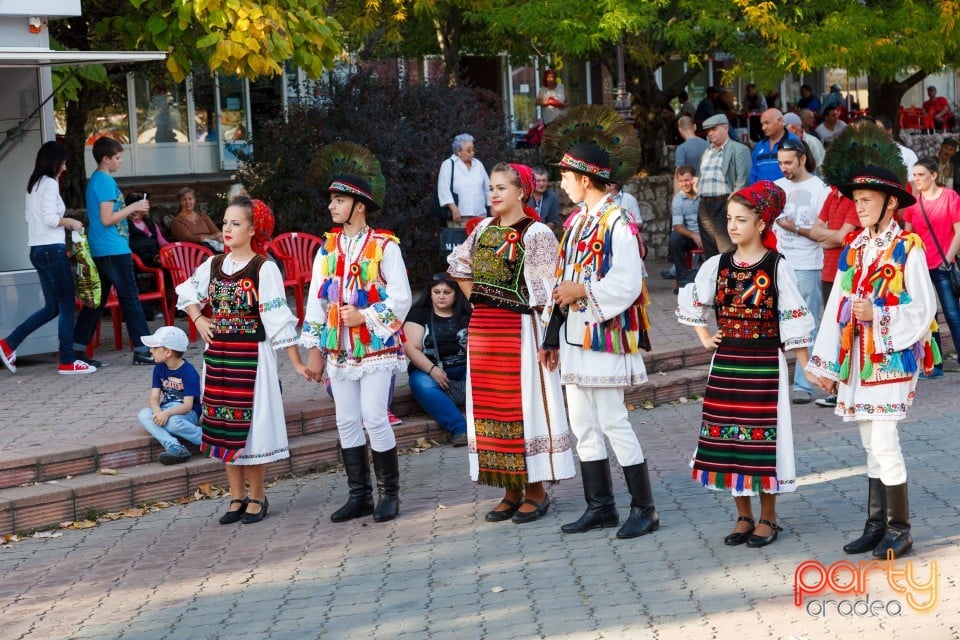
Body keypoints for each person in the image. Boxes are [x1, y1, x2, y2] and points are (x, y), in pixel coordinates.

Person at [807, 164, 937, 560]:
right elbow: (835, 309)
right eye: (857, 200)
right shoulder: (857, 248)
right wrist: (825, 364)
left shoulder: (908, 249)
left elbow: (924, 308)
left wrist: (878, 315)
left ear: (891, 202)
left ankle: (901, 529)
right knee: (869, 442)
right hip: (856, 359)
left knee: (884, 440)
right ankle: (876, 524)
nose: (859, 207)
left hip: (889, 357)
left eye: (867, 200)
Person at [678, 181, 815, 548]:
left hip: (764, 365)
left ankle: (768, 517)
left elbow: (794, 318)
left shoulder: (775, 266)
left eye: (741, 219)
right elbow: (693, 301)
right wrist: (705, 337)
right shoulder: (717, 265)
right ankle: (742, 514)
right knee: (727, 439)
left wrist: (808, 366)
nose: (733, 226)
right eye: (729, 219)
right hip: (726, 364)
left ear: (761, 224)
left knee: (762, 442)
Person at [540, 138, 659, 539]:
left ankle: (645, 509)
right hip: (574, 339)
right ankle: (600, 506)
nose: (562, 183)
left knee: (613, 421)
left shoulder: (617, 222)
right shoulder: (575, 223)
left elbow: (627, 281)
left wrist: (583, 294)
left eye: (566, 176)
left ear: (584, 179)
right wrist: (551, 335)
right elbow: (561, 281)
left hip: (605, 337)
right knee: (583, 425)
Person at [447, 162, 575, 524]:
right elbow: (459, 266)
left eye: (502, 187)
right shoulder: (483, 229)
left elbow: (549, 294)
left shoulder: (537, 234)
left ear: (522, 191)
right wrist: (476, 299)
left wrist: (549, 339)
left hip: (521, 328)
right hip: (486, 331)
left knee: (525, 407)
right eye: (491, 188)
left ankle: (536, 490)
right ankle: (509, 488)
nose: (494, 194)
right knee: (493, 409)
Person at [177, 196, 310, 524]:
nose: (227, 228)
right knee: (223, 424)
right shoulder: (213, 264)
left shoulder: (263, 268)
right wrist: (198, 319)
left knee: (251, 427)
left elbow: (278, 317)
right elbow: (187, 292)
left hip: (252, 355)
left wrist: (295, 362)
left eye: (235, 223)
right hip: (219, 356)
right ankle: (235, 497)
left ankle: (258, 496)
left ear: (253, 229)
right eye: (225, 222)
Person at [301, 146, 412, 524]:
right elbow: (316, 302)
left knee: (374, 417)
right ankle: (359, 495)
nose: (332, 206)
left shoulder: (384, 247)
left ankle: (389, 494)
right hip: (338, 349)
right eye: (332, 200)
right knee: (346, 420)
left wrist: (363, 316)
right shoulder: (326, 248)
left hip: (377, 346)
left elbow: (401, 297)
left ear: (359, 206)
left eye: (340, 199)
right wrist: (315, 349)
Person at [0, 141, 93, 376]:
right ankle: (67, 361)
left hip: (37, 250)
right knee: (66, 305)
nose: (65, 166)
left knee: (53, 306)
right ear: (55, 162)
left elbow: (33, 218)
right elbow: (51, 219)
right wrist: (71, 222)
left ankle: (8, 344)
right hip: (52, 250)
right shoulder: (50, 184)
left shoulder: (34, 185)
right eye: (63, 162)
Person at [73, 136, 154, 366]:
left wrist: (130, 213)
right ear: (105, 159)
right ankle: (142, 349)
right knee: (130, 298)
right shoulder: (105, 182)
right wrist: (133, 206)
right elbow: (107, 219)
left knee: (96, 303)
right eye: (117, 158)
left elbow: (104, 217)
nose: (120, 162)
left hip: (102, 248)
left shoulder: (96, 181)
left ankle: (77, 350)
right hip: (113, 249)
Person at [773, 140, 829, 404]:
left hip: (808, 263)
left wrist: (794, 228)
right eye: (780, 162)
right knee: (777, 322)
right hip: (780, 263)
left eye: (788, 162)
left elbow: (822, 233)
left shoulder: (819, 189)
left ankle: (804, 384)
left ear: (802, 159)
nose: (783, 168)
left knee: (808, 323)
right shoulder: (778, 187)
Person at [902, 157, 960, 376]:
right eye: (914, 175)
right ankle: (933, 365)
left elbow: (959, 231)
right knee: (927, 318)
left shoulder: (950, 197)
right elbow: (907, 236)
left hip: (943, 266)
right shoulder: (913, 203)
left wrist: (947, 260)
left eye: (920, 175)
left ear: (933, 175)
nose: (916, 179)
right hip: (920, 267)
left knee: (953, 315)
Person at [403, 273, 471, 447]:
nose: (441, 296)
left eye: (447, 292)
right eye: (437, 291)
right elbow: (411, 348)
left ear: (456, 294)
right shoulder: (419, 314)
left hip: (465, 367)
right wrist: (433, 370)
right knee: (421, 384)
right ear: (430, 293)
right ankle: (460, 429)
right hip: (429, 369)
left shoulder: (467, 313)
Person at [136, 326, 201, 465]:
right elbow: (154, 397)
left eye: (154, 347)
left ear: (167, 352)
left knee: (173, 423)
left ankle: (208, 442)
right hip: (165, 409)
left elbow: (187, 406)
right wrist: (158, 412)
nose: (150, 350)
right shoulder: (159, 368)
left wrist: (166, 414)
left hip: (187, 413)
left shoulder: (189, 372)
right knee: (144, 415)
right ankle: (174, 446)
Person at [697, 114, 752, 259]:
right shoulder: (707, 151)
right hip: (704, 204)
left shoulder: (739, 149)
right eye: (708, 130)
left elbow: (743, 180)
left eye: (714, 129)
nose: (710, 133)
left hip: (724, 203)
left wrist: (731, 205)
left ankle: (730, 280)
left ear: (725, 128)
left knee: (726, 248)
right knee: (709, 250)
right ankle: (714, 281)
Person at [437, 133, 489, 228]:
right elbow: (443, 189)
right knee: (461, 243)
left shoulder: (478, 164)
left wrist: (492, 206)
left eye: (473, 150)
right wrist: (454, 209)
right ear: (458, 151)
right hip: (459, 218)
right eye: (469, 150)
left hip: (480, 217)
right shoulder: (448, 165)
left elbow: (488, 188)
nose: (472, 153)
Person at [667, 165, 702, 288]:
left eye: (687, 180)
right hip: (690, 237)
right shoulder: (678, 199)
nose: (684, 184)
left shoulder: (703, 195)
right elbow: (677, 226)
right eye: (681, 181)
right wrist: (694, 235)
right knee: (675, 238)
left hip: (707, 235)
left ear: (694, 179)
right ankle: (683, 280)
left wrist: (698, 190)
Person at [750, 109, 799, 184]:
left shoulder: (794, 142)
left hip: (788, 194)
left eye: (767, 123)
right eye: (762, 124)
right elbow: (753, 173)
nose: (763, 128)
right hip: (762, 194)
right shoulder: (759, 146)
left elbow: (805, 171)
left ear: (780, 121)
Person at [170, 188, 223, 252]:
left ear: (195, 200)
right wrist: (211, 237)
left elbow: (217, 232)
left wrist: (219, 238)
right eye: (184, 200)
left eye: (190, 199)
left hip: (211, 247)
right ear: (180, 202)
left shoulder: (203, 216)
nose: (187, 202)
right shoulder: (177, 221)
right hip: (192, 252)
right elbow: (188, 239)